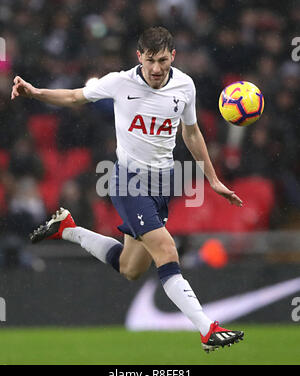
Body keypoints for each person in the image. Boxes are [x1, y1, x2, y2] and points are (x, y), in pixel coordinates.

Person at [11, 26, 244, 353]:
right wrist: (35, 93)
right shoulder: (120, 82)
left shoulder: (185, 86)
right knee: (167, 250)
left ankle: (68, 229)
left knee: (131, 268)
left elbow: (191, 134)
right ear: (139, 57)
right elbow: (76, 96)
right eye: (150, 60)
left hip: (162, 184)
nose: (156, 68)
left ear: (173, 57)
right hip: (127, 180)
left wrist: (213, 178)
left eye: (162, 60)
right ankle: (208, 329)